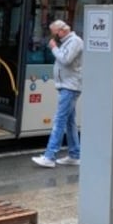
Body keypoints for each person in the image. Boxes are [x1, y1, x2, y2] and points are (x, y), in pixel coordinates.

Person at [32, 20, 83, 168]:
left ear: (62, 31)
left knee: (59, 120)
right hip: (67, 86)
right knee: (69, 122)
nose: (54, 37)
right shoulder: (69, 41)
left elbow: (65, 60)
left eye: (55, 33)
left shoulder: (75, 41)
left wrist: (54, 48)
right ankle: (74, 154)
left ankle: (49, 156)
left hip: (70, 87)